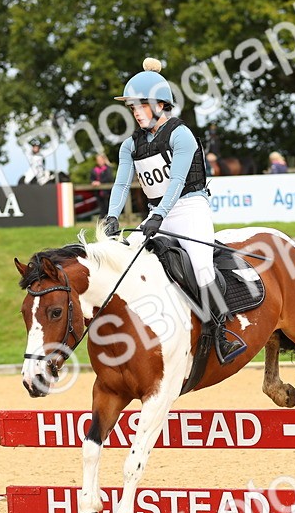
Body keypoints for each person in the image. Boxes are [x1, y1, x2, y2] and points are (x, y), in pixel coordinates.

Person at [102, 57, 246, 363]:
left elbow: (177, 182)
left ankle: (223, 333)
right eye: (132, 108)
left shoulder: (181, 135)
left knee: (202, 266)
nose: (135, 113)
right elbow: (121, 185)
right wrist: (113, 215)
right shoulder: (130, 145)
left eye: (140, 106)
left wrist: (158, 216)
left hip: (190, 208)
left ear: (160, 105)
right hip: (158, 214)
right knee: (126, 260)